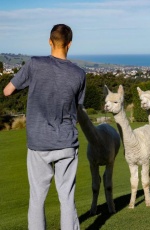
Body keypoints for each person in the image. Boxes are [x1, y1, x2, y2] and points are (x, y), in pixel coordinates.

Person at [3, 24, 86, 230]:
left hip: (38, 144)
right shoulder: (79, 74)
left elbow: (7, 91)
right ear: (70, 44)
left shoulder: (34, 64)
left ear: (50, 41)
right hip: (67, 142)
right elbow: (77, 109)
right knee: (67, 198)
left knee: (37, 198)